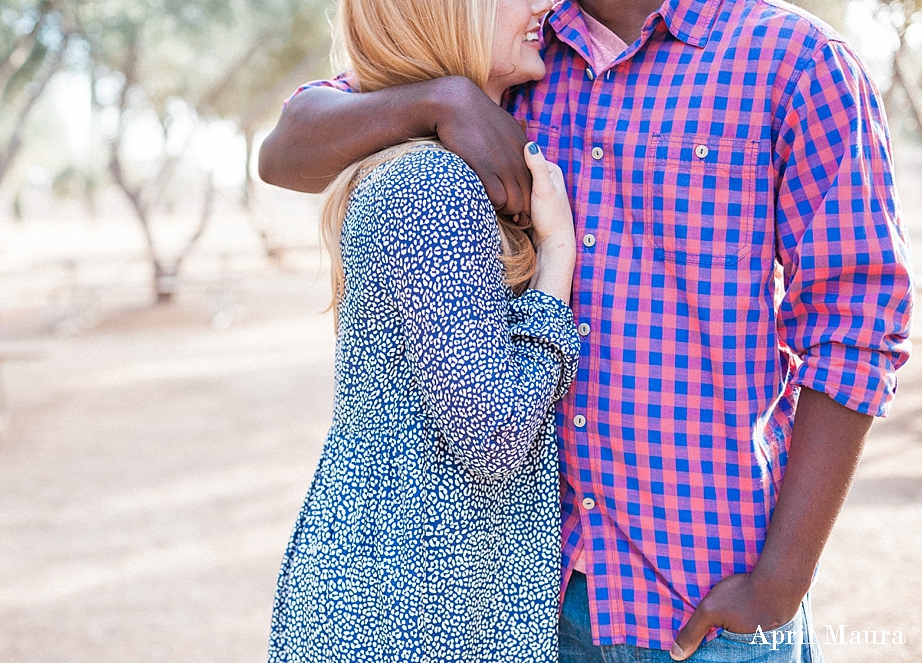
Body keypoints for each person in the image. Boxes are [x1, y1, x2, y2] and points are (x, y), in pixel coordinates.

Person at [261, 0, 916, 661]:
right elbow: (287, 146)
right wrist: (443, 99)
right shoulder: (516, 55)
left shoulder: (793, 62)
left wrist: (778, 580)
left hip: (705, 604)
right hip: (530, 610)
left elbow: (854, 325)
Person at [267, 0, 583, 660]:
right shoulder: (431, 184)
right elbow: (495, 435)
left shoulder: (425, 167)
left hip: (415, 585)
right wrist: (556, 258)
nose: (544, 5)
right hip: (412, 602)